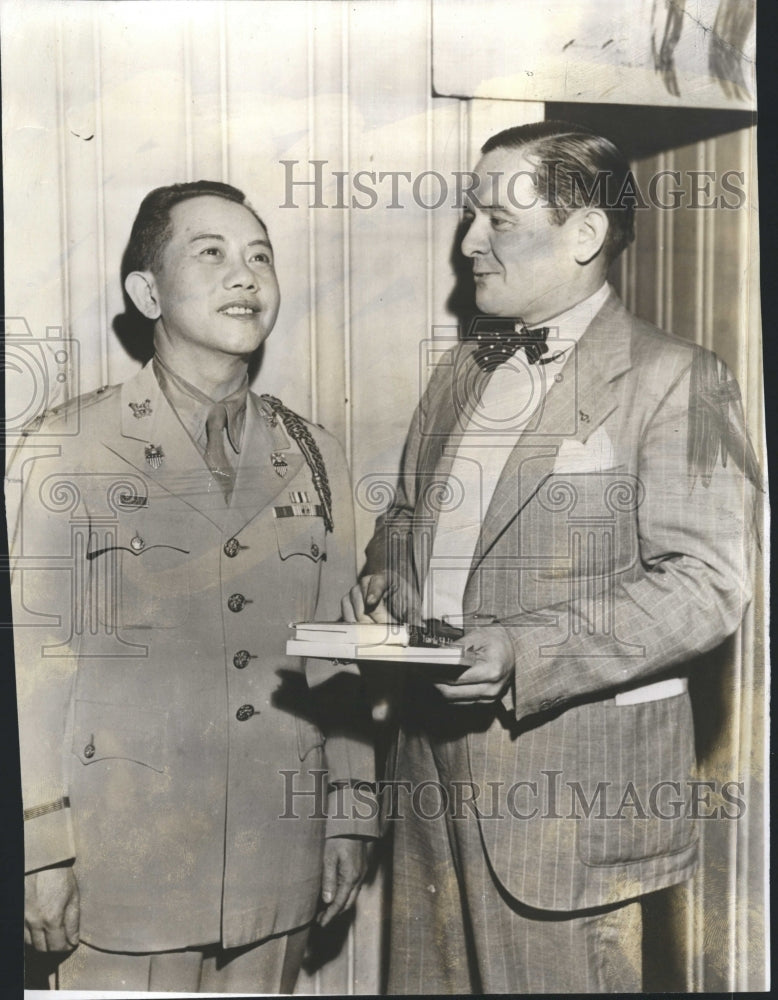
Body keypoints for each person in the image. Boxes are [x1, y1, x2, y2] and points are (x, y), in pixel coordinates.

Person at [344, 121, 760, 993]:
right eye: (471, 216)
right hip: (427, 779)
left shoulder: (682, 379)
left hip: (568, 810)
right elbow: (408, 512)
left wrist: (523, 651)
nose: (468, 244)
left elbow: (708, 586)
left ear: (584, 233)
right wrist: (388, 576)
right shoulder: (462, 368)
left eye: (497, 220)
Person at [10, 180, 376, 992]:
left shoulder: (313, 452)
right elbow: (33, 667)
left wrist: (351, 812)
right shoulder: (68, 446)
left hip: (277, 858)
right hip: (120, 869)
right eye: (210, 253)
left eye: (259, 257)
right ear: (147, 293)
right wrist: (39, 851)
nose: (245, 275)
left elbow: (338, 651)